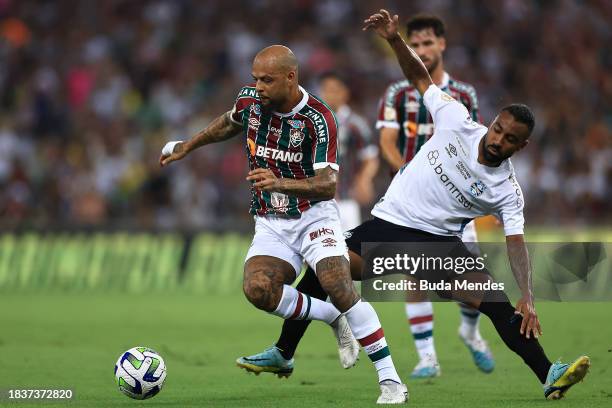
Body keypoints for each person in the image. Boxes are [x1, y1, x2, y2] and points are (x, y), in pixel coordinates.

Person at [238, 11, 591, 400]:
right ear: (491, 123)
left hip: (436, 246)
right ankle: (284, 353)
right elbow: (419, 77)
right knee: (326, 272)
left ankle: (549, 374)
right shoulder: (456, 119)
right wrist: (393, 39)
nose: (498, 140)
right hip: (388, 227)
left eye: (509, 140)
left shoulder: (507, 190)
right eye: (498, 130)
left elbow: (515, 242)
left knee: (498, 304)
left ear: (520, 147)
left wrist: (529, 293)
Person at [159, 44, 407, 404]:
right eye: (255, 78)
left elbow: (328, 184)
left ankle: (391, 381)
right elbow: (229, 122)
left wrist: (280, 182)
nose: (258, 86)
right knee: (257, 289)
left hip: (313, 215)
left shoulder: (319, 119)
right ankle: (333, 318)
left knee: (338, 285)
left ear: (291, 77)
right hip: (271, 221)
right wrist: (188, 145)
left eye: (267, 80)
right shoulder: (250, 101)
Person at [376, 14, 492, 378]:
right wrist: (406, 170)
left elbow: (475, 147)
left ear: (442, 44)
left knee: (472, 280)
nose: (422, 50)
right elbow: (386, 142)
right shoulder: (397, 93)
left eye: (428, 43)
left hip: (455, 203)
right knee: (415, 274)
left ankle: (470, 332)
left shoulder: (463, 95)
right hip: (413, 202)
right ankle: (427, 356)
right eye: (415, 44)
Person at [319, 72, 379, 232]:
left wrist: (364, 180)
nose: (327, 94)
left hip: (345, 200)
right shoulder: (312, 123)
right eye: (325, 89)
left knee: (348, 250)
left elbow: (370, 158)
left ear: (344, 93)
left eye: (333, 90)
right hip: (315, 200)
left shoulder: (355, 124)